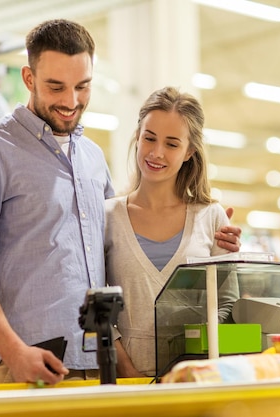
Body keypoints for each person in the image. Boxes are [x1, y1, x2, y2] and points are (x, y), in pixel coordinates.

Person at [0, 19, 242, 385]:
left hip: (102, 366)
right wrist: (13, 352)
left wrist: (215, 245)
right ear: (28, 78)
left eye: (82, 86)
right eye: (56, 87)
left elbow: (110, 262)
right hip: (30, 362)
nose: (71, 102)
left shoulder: (91, 157)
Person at [104, 87, 240, 378]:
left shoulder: (210, 216)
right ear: (138, 137)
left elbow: (226, 302)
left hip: (192, 380)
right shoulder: (107, 217)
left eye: (172, 144)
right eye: (149, 138)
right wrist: (128, 371)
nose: (156, 153)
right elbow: (96, 309)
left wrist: (193, 360)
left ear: (189, 151)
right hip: (123, 381)